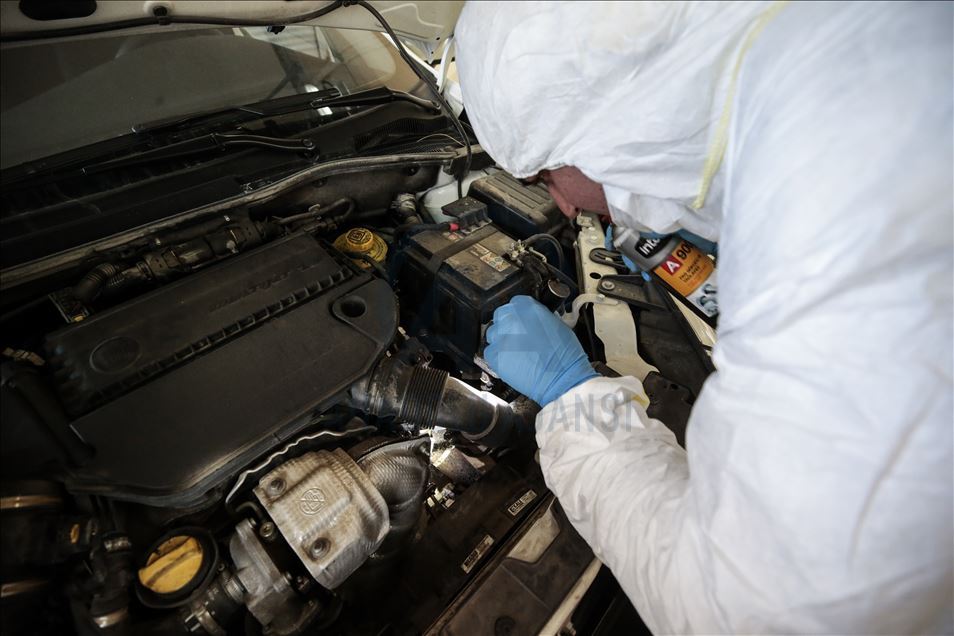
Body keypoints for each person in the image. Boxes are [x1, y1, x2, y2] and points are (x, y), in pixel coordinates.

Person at [455, 2, 953, 634]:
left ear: (615, 117)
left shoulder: (828, 233)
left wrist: (574, 399)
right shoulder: (847, 62)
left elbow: (744, 609)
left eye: (546, 175)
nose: (561, 205)